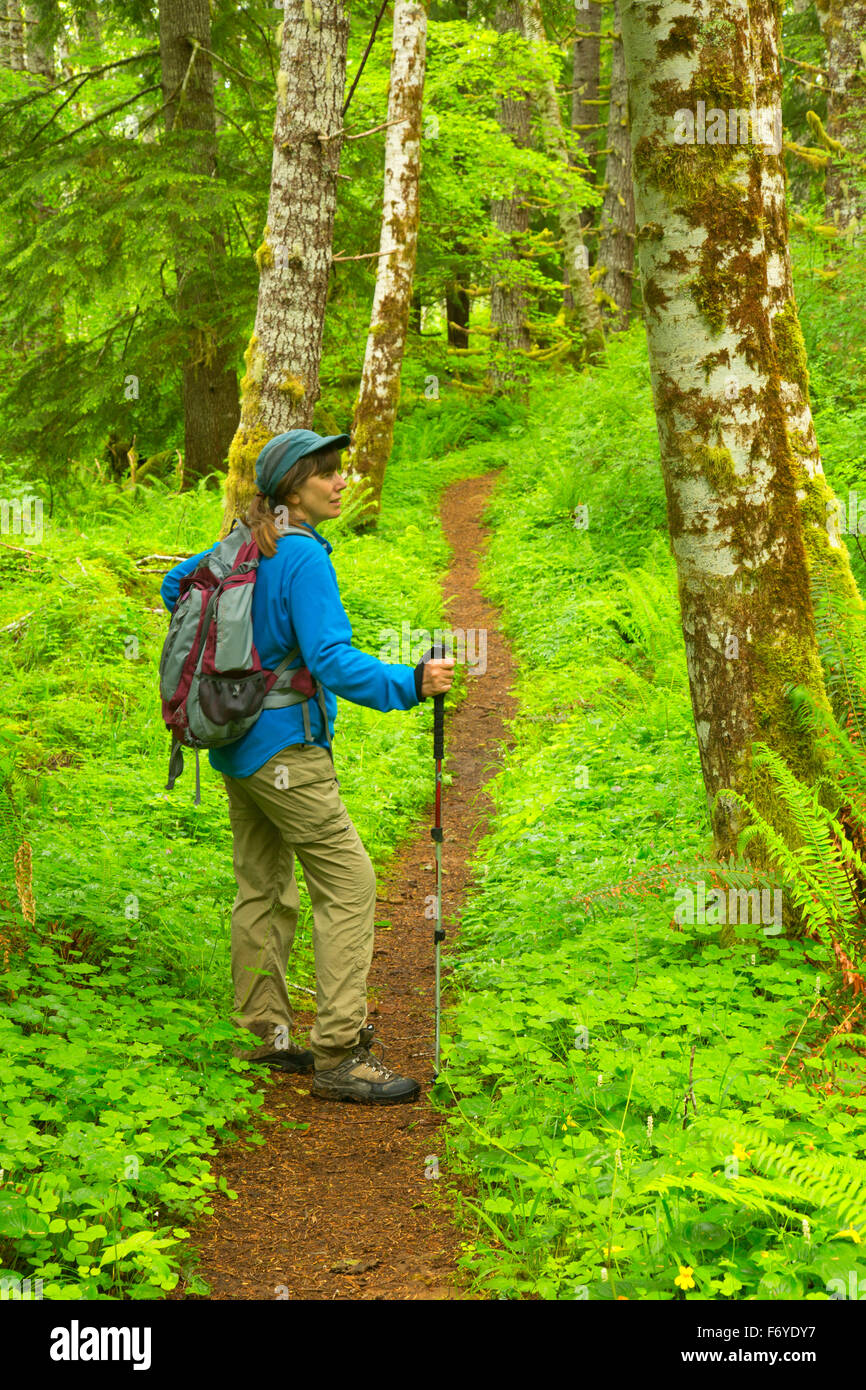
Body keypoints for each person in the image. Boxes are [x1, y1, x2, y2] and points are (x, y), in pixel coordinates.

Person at [160, 429, 455, 1105]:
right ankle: (340, 1053)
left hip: (234, 742)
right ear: (295, 485)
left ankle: (269, 1033)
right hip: (286, 751)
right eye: (329, 474)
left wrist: (234, 667)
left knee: (262, 886)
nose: (343, 482)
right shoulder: (302, 559)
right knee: (348, 885)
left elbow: (177, 585)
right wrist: (412, 681)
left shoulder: (246, 543)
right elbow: (332, 660)